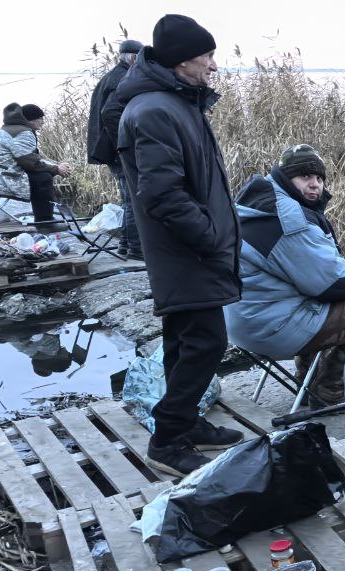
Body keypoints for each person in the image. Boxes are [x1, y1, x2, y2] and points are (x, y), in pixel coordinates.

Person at [114, 14, 243, 477]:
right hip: (185, 250)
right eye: (207, 55)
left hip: (190, 248)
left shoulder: (176, 102)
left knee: (183, 339)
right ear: (182, 60)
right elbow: (162, 194)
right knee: (207, 342)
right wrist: (209, 236)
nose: (213, 64)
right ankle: (168, 440)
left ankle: (186, 423)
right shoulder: (154, 110)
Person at [224, 145, 345, 405]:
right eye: (305, 176)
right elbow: (333, 282)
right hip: (268, 326)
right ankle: (329, 392)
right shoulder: (288, 219)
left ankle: (305, 381)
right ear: (286, 179)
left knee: (316, 301)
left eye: (319, 178)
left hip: (243, 318)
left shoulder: (259, 203)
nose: (315, 184)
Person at [0, 103, 73, 229]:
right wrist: (56, 169)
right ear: (29, 120)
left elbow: (30, 159)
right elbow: (31, 164)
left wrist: (56, 166)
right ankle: (45, 222)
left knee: (40, 175)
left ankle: (44, 218)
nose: (43, 122)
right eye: (39, 118)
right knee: (43, 178)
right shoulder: (23, 133)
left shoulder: (13, 129)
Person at [87, 39, 144, 259]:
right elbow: (109, 113)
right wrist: (126, 142)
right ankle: (136, 248)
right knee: (133, 201)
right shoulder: (123, 78)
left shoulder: (112, 76)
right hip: (119, 151)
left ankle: (125, 245)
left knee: (128, 199)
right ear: (134, 58)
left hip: (111, 150)